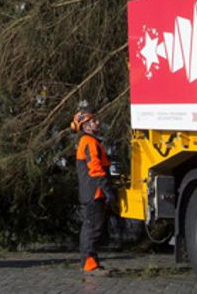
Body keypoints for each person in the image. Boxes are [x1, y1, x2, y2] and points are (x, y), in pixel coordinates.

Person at [72, 108, 113, 276]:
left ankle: (91, 262)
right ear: (86, 126)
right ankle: (89, 265)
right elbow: (95, 168)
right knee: (92, 229)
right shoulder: (88, 142)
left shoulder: (90, 141)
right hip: (94, 192)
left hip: (92, 192)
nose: (97, 122)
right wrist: (107, 189)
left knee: (90, 227)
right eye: (93, 121)